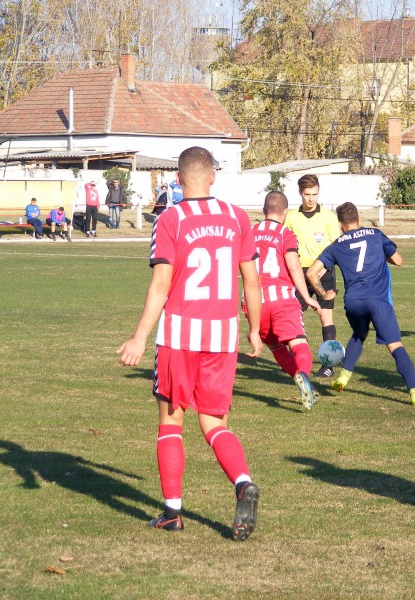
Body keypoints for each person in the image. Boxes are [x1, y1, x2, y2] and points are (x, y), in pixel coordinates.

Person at [118, 146, 263, 541]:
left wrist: (139, 336)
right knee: (214, 422)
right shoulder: (236, 217)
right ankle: (243, 482)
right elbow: (251, 280)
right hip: (223, 335)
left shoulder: (171, 218)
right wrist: (255, 328)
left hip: (179, 336)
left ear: (177, 180)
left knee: (171, 421)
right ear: (213, 176)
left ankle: (172, 513)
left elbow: (161, 283)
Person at [306, 202, 415, 407]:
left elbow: (312, 273)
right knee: (395, 345)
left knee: (359, 333)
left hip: (353, 302)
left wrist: (324, 295)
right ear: (359, 219)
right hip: (377, 300)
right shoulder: (375, 234)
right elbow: (398, 260)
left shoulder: (336, 245)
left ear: (340, 224)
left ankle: (344, 376)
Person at [248, 191, 322, 410]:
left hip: (255, 301)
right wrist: (307, 296)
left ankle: (300, 380)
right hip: (282, 298)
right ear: (285, 213)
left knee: (275, 346)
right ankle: (304, 376)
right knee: (298, 343)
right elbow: (293, 266)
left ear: (263, 211)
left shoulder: (249, 232)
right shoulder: (285, 233)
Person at [284, 174, 342, 378]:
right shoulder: (291, 217)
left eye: (315, 194)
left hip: (322, 273)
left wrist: (323, 270)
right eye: (307, 194)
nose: (311, 199)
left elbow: (338, 247)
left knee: (325, 316)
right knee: (292, 318)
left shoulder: (328, 216)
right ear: (300, 193)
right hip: (299, 273)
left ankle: (328, 365)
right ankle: (297, 363)